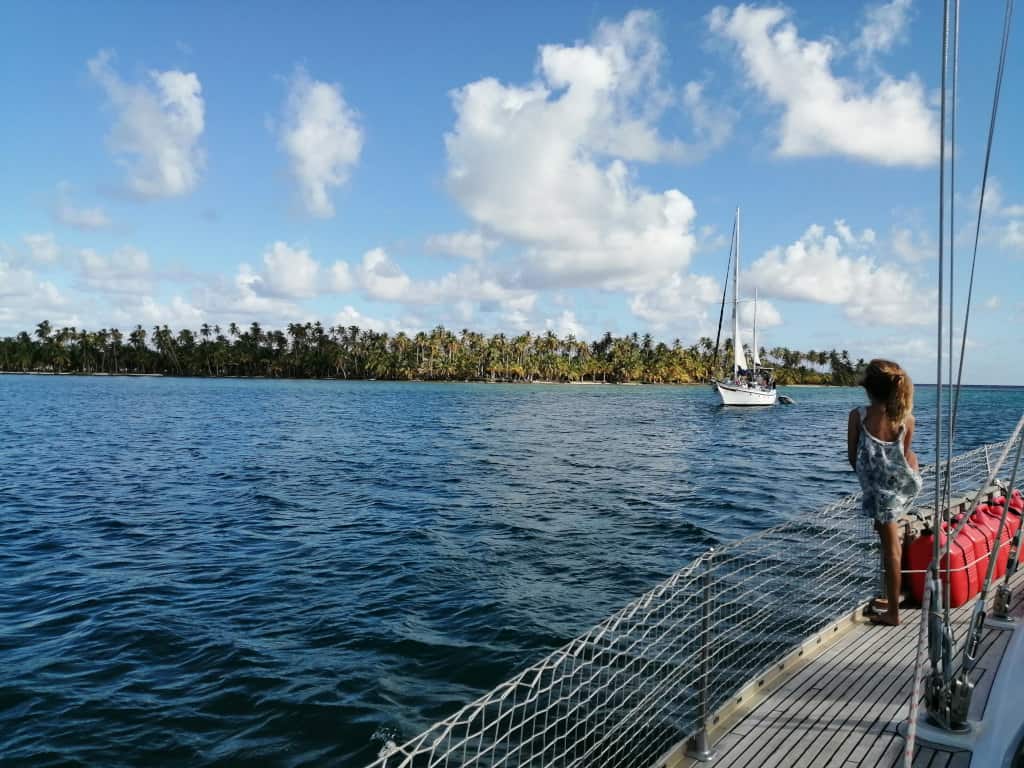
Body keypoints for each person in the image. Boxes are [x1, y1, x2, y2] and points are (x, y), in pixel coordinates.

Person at [847, 359, 922, 626]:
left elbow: (852, 456)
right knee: (888, 542)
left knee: (891, 550)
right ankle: (893, 594)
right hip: (896, 488)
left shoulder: (859, 416)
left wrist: (872, 474)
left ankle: (893, 611)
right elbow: (902, 456)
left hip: (878, 491)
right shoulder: (906, 420)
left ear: (867, 387)